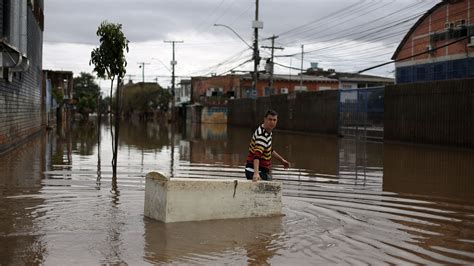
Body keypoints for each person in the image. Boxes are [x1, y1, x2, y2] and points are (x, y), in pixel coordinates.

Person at [245, 109, 290, 181]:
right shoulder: (262, 135)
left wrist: (282, 160)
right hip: (254, 171)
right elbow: (256, 155)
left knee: (271, 182)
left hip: (257, 170)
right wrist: (256, 173)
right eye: (270, 119)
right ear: (265, 119)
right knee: (272, 186)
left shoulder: (267, 132)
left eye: (274, 120)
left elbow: (269, 149)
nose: (272, 122)